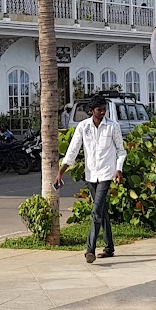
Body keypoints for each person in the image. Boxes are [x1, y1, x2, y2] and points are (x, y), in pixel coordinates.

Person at [56, 100, 126, 264]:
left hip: (106, 174)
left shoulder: (112, 126)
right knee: (101, 210)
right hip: (91, 175)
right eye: (99, 110)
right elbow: (72, 151)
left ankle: (90, 249)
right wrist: (60, 173)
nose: (102, 113)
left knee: (96, 212)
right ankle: (109, 247)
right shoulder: (83, 127)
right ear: (91, 111)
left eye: (104, 110)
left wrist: (118, 169)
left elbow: (121, 151)